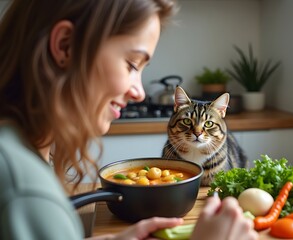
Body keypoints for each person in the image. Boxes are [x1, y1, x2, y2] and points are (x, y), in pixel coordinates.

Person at [0, 0, 258, 239]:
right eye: (132, 64)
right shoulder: (25, 191)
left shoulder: (22, 151)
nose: (140, 92)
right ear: (65, 45)